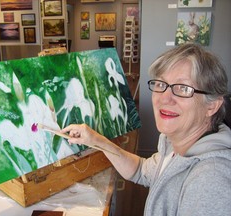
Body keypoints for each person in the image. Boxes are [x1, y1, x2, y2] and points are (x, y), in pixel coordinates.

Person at [61, 43, 231, 215]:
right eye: (160, 84)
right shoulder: (176, 143)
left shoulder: (211, 179)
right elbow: (143, 171)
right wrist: (95, 139)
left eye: (182, 88)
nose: (165, 98)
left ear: (212, 106)